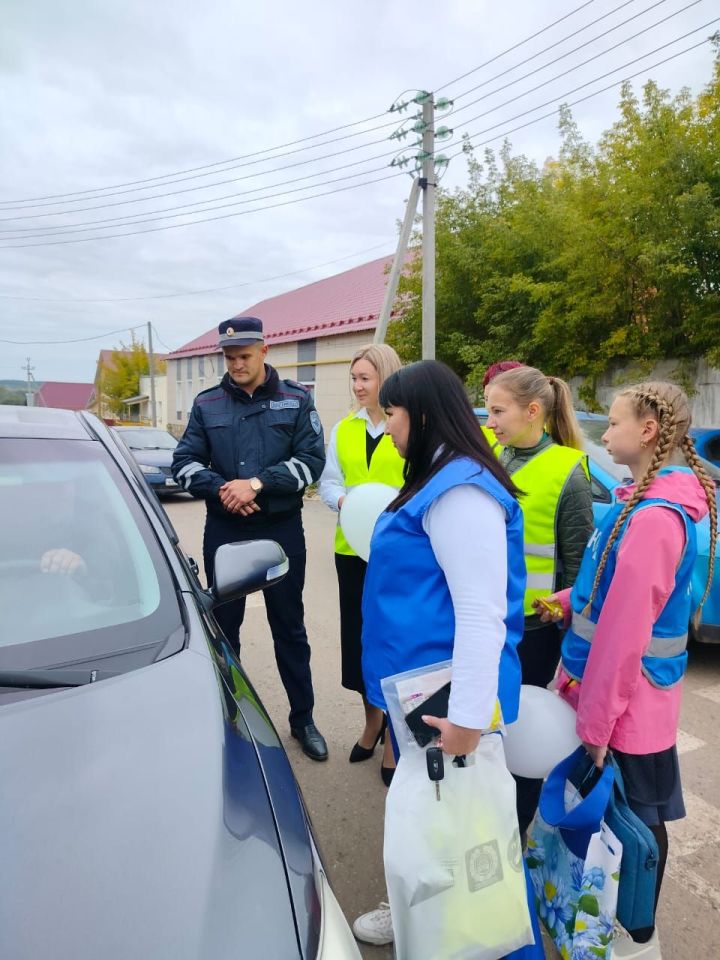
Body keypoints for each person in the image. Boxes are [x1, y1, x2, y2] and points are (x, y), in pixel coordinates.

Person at [352, 360, 535, 951]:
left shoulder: (460, 491)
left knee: (460, 834)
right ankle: (425, 920)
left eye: (393, 414)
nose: (387, 429)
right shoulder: (439, 479)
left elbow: (483, 616)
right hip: (427, 691)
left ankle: (466, 937)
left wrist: (467, 720)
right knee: (436, 828)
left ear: (424, 415)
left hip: (449, 700)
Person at [536, 381, 716, 959]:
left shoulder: (656, 517)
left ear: (648, 432)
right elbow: (612, 588)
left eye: (612, 424)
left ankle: (639, 942)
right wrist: (568, 600)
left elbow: (624, 633)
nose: (602, 434)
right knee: (622, 824)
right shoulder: (633, 500)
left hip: (627, 710)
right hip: (616, 701)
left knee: (634, 832)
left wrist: (594, 726)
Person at [172, 316, 329, 761]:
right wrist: (225, 490)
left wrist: (256, 484)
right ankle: (230, 715)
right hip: (225, 527)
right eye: (229, 357)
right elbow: (184, 462)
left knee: (289, 627)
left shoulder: (296, 400)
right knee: (225, 628)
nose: (236, 364)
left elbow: (311, 461)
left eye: (244, 355)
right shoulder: (208, 404)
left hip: (280, 528)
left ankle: (303, 720)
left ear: (264, 351)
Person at [484, 364, 594, 835]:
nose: (490, 422)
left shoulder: (568, 470)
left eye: (497, 411)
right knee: (484, 727)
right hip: (484, 619)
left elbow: (578, 568)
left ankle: (512, 832)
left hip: (533, 633)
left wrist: (567, 630)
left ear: (533, 411)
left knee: (520, 734)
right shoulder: (492, 454)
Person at [318, 343, 404, 783]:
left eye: (364, 378)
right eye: (353, 378)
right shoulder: (343, 428)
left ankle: (395, 736)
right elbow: (329, 480)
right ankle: (371, 720)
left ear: (385, 379)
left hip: (398, 551)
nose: (357, 386)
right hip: (351, 549)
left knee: (392, 639)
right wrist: (343, 500)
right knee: (358, 639)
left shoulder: (407, 424)